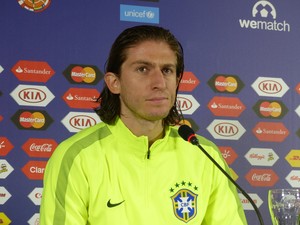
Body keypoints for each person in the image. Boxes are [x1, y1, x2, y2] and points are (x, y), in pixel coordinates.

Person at [40, 25, 248, 225]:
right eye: (142, 69)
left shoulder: (205, 155)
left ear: (177, 81)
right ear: (115, 82)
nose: (158, 82)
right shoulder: (75, 157)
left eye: (167, 70)